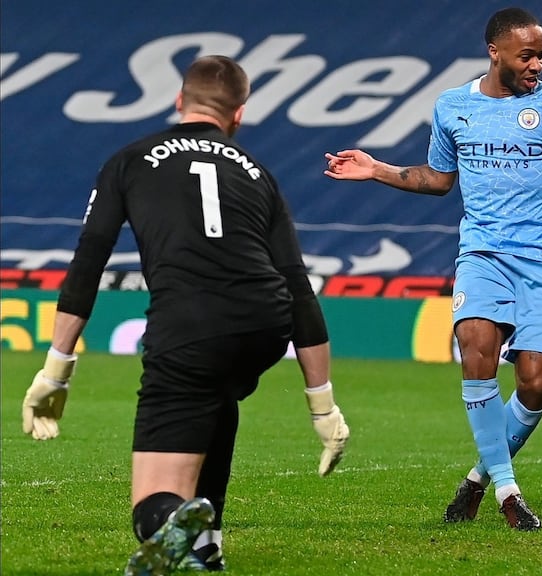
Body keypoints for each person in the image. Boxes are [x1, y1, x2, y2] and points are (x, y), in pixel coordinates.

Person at [21, 55, 350, 575]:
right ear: (238, 115)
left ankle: (174, 531)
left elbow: (89, 262)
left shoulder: (129, 159)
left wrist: (56, 370)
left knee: (150, 510)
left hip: (190, 324)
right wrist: (322, 404)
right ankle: (207, 541)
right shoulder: (258, 173)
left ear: (179, 101)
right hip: (266, 321)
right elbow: (297, 286)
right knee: (216, 392)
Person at [324, 7, 542, 530]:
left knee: (534, 381)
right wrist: (377, 170)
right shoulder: (452, 107)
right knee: (475, 351)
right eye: (526, 54)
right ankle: (510, 493)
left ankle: (477, 480)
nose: (537, 63)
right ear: (495, 51)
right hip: (482, 255)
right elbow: (438, 180)